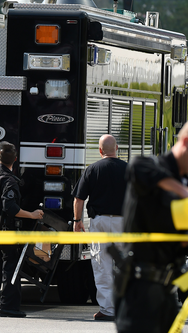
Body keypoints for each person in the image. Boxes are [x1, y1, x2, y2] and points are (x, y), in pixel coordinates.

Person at [114, 119, 188, 332]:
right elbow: (137, 168)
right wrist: (184, 192)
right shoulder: (153, 168)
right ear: (186, 143)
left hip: (166, 290)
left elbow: (174, 240)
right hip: (140, 288)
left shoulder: (183, 184)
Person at [0, 141, 44, 318]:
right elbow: (10, 208)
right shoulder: (10, 181)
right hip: (6, 231)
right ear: (16, 159)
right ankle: (8, 307)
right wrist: (33, 215)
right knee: (10, 268)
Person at [72, 135, 128, 322]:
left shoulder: (92, 169)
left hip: (100, 221)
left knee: (101, 264)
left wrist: (77, 220)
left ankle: (108, 309)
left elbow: (79, 199)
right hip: (123, 222)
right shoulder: (129, 169)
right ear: (117, 148)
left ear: (100, 150)